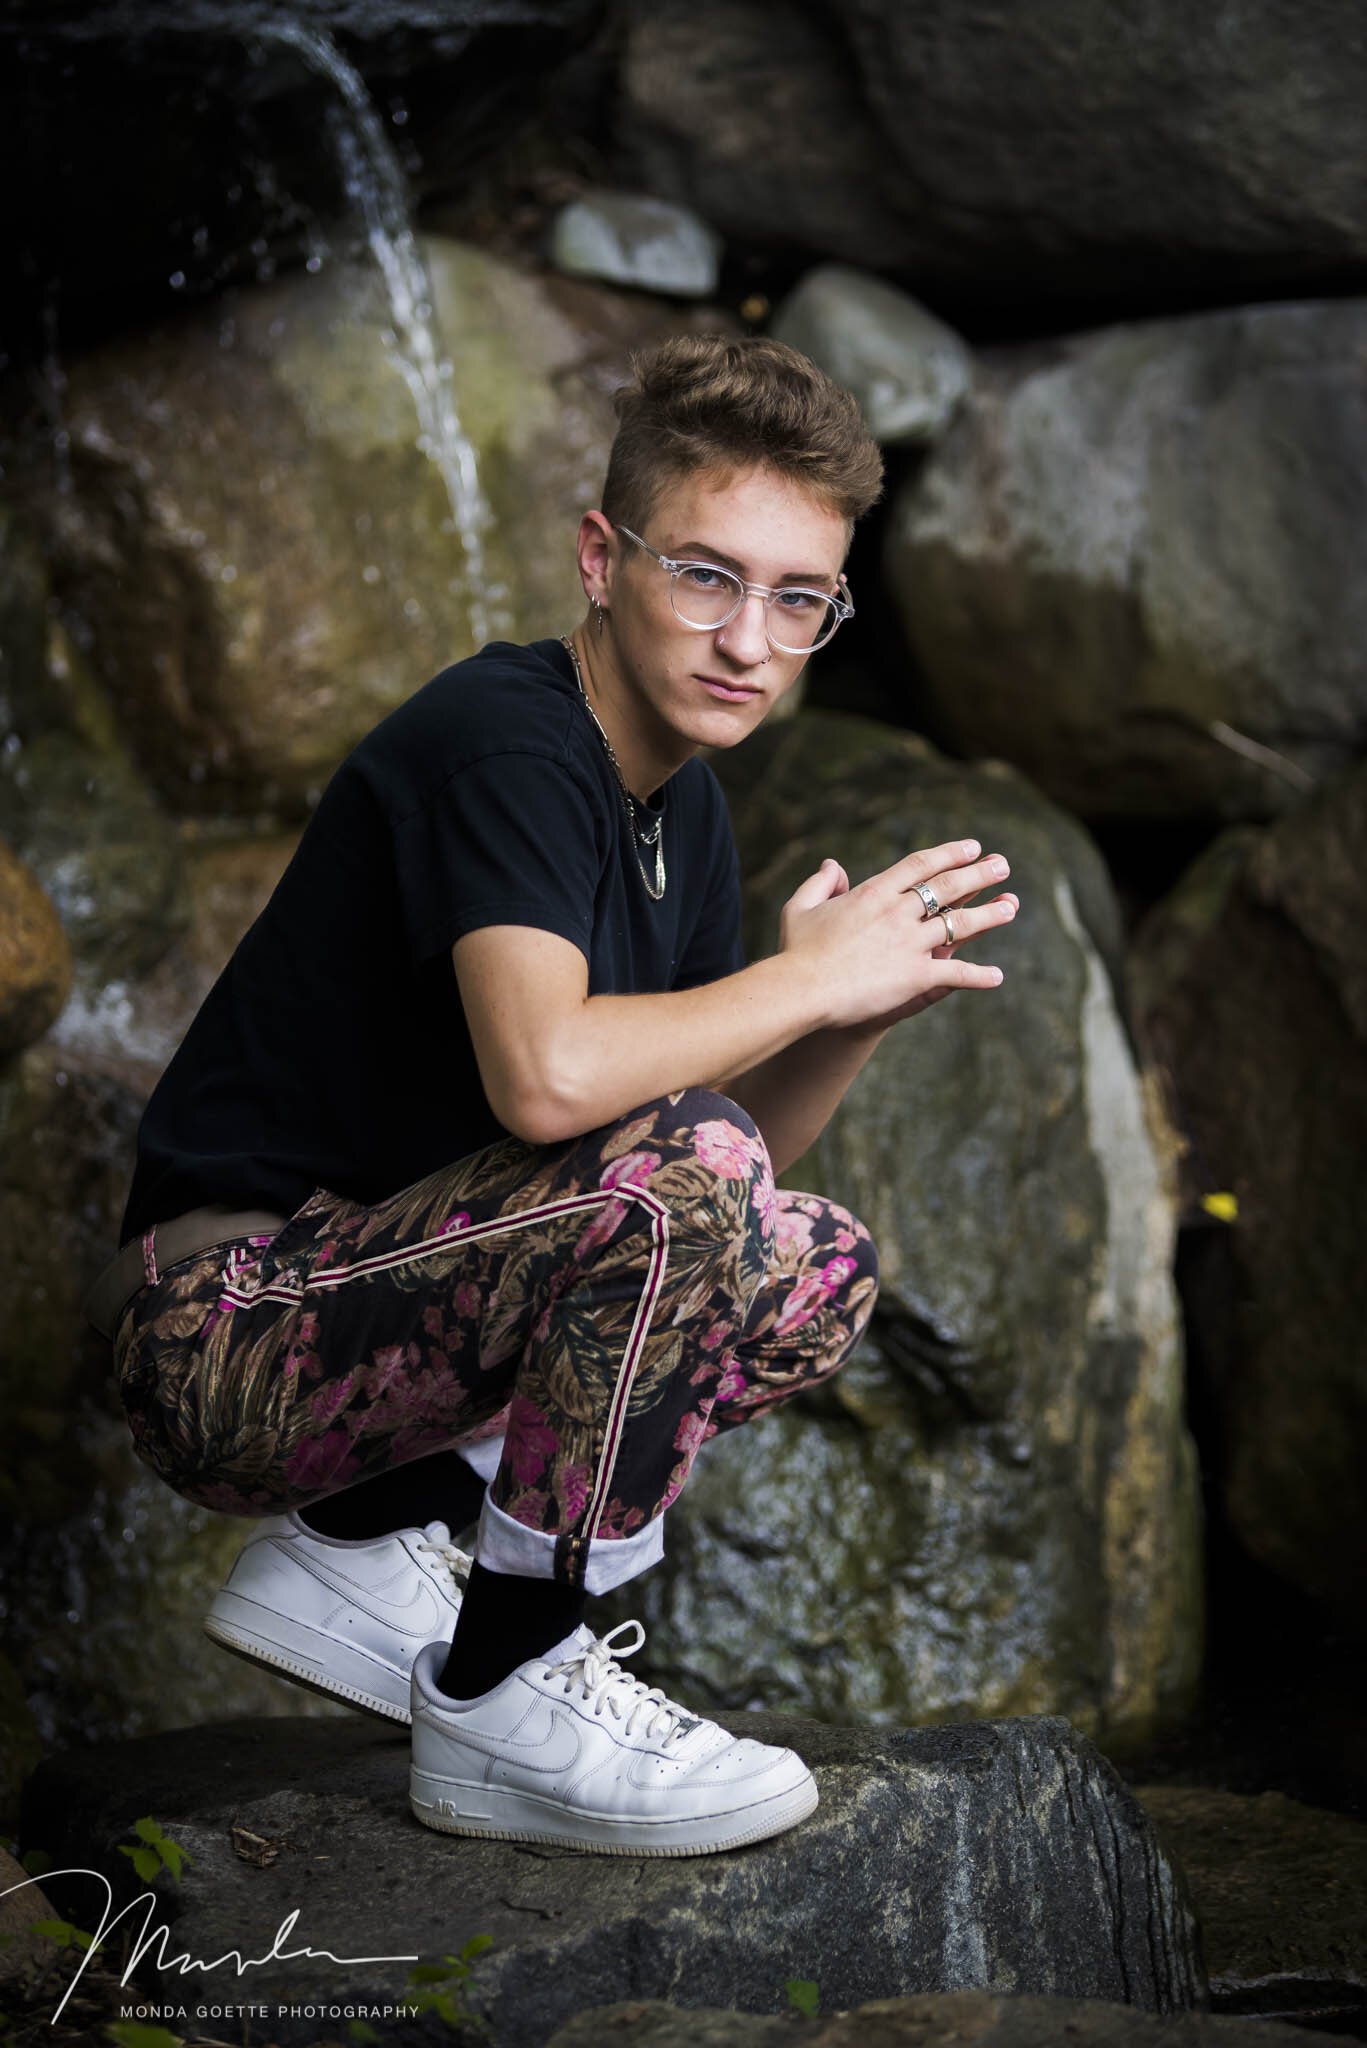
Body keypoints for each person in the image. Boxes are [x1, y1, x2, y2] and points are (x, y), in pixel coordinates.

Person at [85, 334, 1016, 1858]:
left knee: (814, 1266)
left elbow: (698, 1198)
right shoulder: (505, 741)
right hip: (227, 1327)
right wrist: (802, 978)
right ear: (602, 555)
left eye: (801, 601)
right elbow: (551, 1080)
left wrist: (852, 1016)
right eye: (705, 576)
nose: (749, 640)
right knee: (699, 1178)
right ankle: (510, 1679)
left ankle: (368, 1542)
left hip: (381, 1317)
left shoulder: (685, 810)